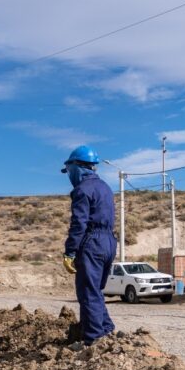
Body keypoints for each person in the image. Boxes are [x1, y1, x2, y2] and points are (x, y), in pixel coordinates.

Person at [61, 145, 116, 343]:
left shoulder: (82, 190)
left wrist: (70, 252)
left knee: (87, 293)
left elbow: (79, 223)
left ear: (76, 167)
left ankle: (92, 341)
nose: (69, 175)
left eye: (69, 170)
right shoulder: (105, 187)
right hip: (109, 242)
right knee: (95, 291)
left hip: (92, 242)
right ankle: (106, 331)